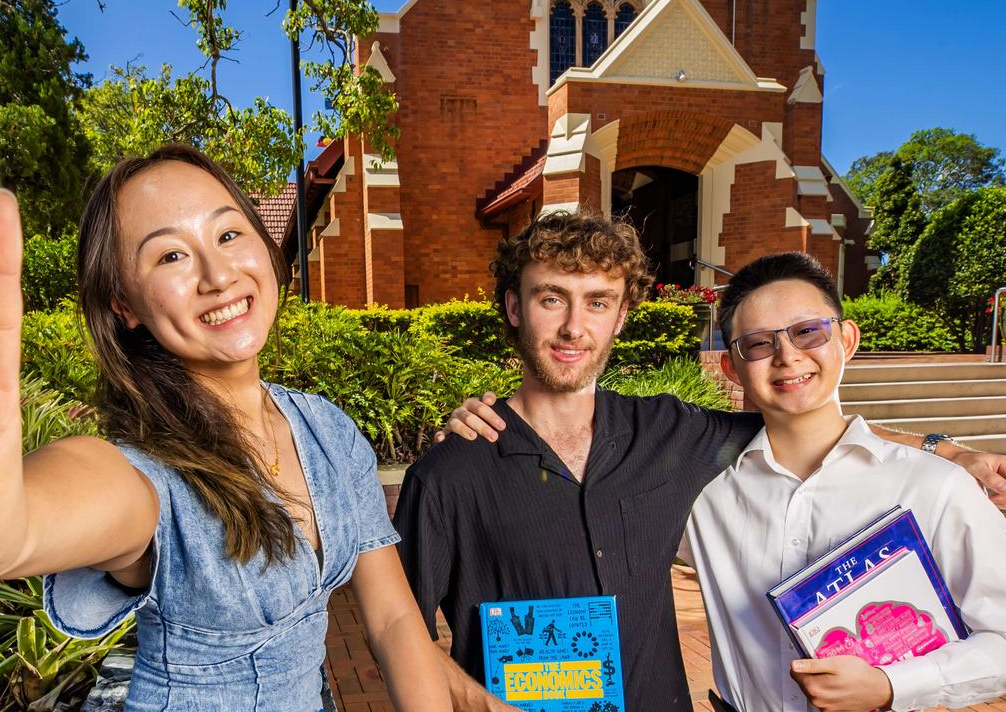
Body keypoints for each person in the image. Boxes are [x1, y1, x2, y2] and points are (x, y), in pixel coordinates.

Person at [0, 146, 450, 712]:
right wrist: (3, 527)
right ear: (125, 305)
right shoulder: (148, 469)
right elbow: (77, 501)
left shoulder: (327, 429)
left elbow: (391, 621)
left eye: (229, 233)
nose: (216, 273)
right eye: (170, 257)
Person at [394, 211, 1006, 711]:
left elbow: (804, 415)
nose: (574, 327)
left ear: (622, 316)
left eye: (599, 302)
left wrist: (945, 450)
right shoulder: (451, 474)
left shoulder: (668, 435)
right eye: (552, 299)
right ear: (513, 307)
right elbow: (402, 638)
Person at [679, 252, 1006, 712]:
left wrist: (893, 684)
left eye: (807, 331)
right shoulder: (703, 494)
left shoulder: (936, 486)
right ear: (732, 367)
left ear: (846, 339)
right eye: (757, 343)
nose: (788, 356)